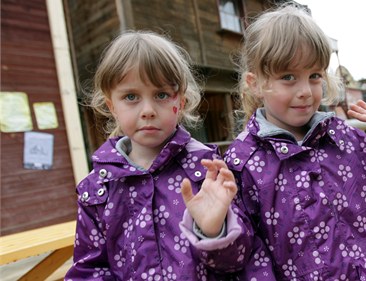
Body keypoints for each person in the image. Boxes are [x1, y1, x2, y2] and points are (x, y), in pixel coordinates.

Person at [221, 4, 366, 280]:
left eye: (314, 75)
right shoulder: (241, 162)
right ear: (255, 83)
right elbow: (248, 257)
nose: (305, 91)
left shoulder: (342, 136)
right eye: (288, 77)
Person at [65, 30, 275, 280]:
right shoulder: (98, 189)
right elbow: (89, 270)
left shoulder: (207, 172)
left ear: (182, 102)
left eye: (162, 95)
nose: (148, 110)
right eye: (131, 97)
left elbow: (242, 261)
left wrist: (214, 231)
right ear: (112, 106)